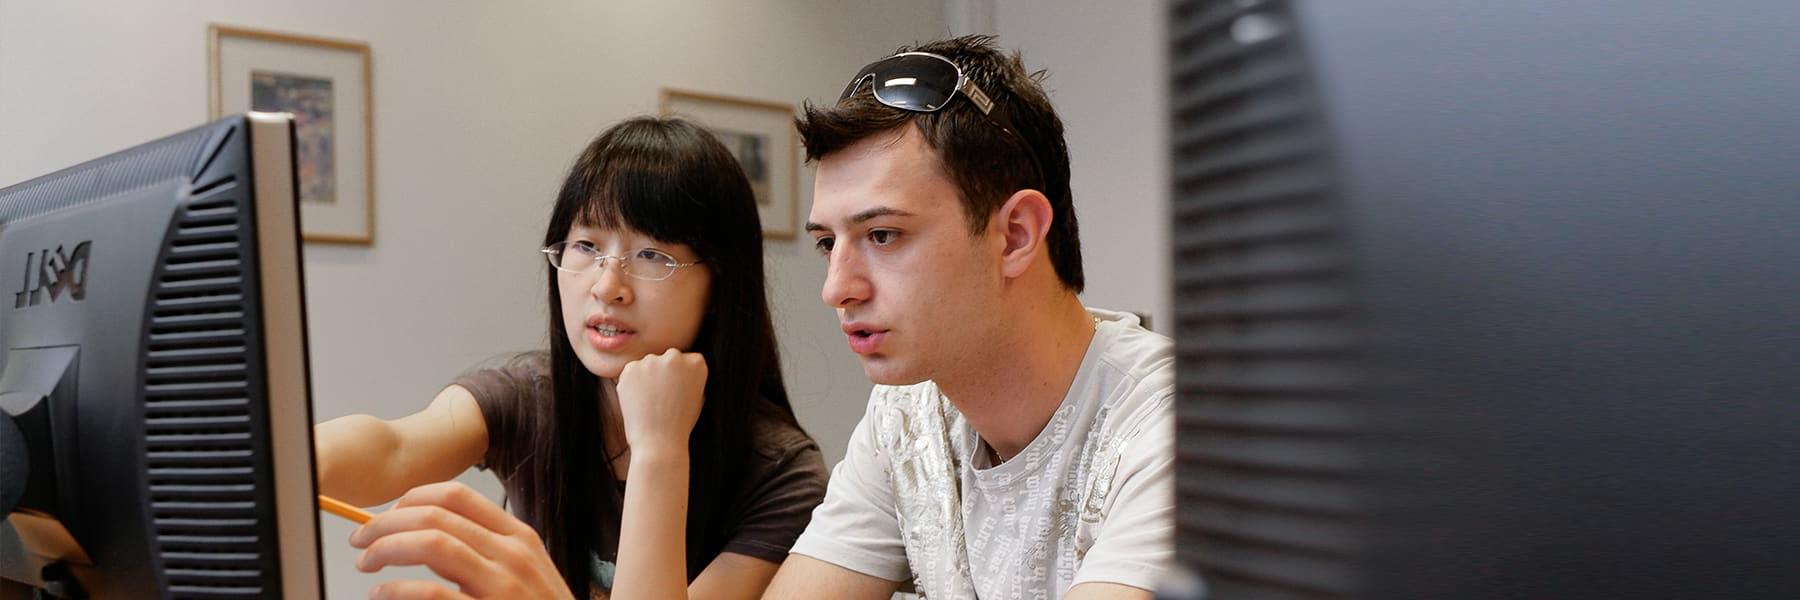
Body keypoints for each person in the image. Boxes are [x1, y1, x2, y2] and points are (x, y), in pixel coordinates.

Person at [312, 117, 829, 600]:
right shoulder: (529, 396)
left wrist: (659, 447)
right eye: (585, 245)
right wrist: (274, 457)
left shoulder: (783, 475)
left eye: (651, 255)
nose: (608, 286)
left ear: (721, 282)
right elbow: (392, 448)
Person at [763, 35, 1176, 600]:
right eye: (827, 244)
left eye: (883, 235)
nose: (836, 289)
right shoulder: (904, 416)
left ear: (1015, 235)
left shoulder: (1173, 427)